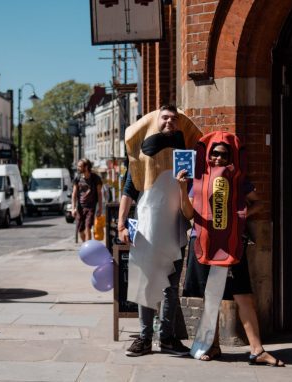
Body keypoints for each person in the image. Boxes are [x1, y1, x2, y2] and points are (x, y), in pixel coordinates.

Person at [176, 140, 285, 366]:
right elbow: (188, 213)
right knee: (210, 296)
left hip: (231, 245)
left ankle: (257, 350)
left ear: (230, 158)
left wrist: (239, 216)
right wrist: (181, 187)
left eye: (223, 155)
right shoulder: (197, 179)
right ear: (207, 155)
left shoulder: (237, 180)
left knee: (243, 295)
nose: (218, 158)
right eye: (214, 154)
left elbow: (258, 203)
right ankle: (211, 345)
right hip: (203, 243)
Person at [118, 105, 201, 357]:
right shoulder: (142, 158)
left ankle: (167, 337)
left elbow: (194, 193)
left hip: (176, 226)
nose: (169, 121)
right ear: (156, 121)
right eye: (164, 117)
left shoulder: (186, 155)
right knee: (146, 282)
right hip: (147, 224)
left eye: (174, 118)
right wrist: (121, 224)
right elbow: (129, 190)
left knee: (170, 287)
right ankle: (144, 337)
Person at [71, 158, 103, 242]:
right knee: (80, 230)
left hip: (91, 207)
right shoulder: (77, 178)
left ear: (86, 167)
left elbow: (99, 194)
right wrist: (73, 208)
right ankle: (86, 246)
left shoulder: (96, 178)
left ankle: (88, 248)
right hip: (80, 207)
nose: (78, 168)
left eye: (80, 166)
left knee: (88, 227)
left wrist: (100, 208)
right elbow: (74, 194)